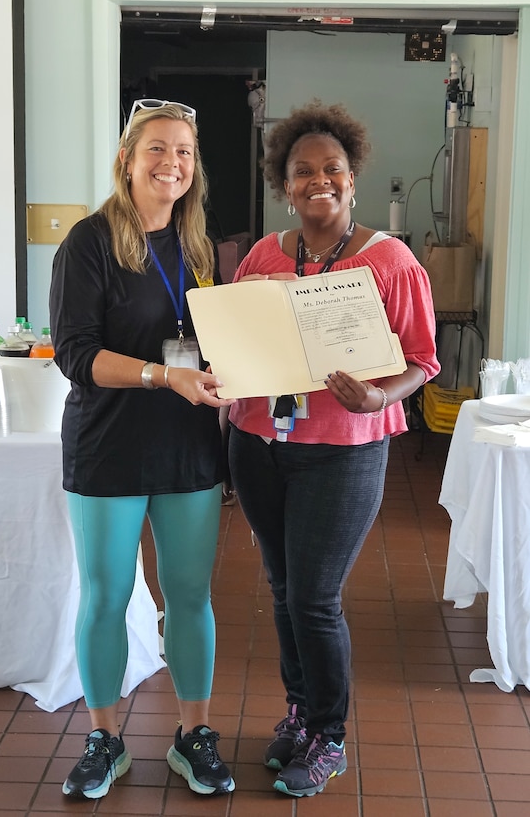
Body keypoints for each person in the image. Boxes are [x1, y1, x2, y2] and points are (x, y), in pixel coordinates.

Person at [227, 100, 440, 798]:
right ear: (283, 185)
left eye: (332, 169)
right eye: (301, 172)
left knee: (316, 598)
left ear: (352, 180)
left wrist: (382, 397)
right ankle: (297, 712)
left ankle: (328, 735)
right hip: (259, 443)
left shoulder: (391, 261)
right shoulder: (263, 256)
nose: (318, 180)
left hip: (342, 450)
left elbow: (422, 360)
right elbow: (242, 344)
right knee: (284, 592)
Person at [49, 98, 236, 801]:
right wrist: (166, 375)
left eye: (183, 152)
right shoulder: (90, 242)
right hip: (107, 448)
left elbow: (207, 335)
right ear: (127, 159)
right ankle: (105, 739)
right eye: (156, 149)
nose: (171, 163)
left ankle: (193, 737)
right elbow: (75, 355)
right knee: (106, 597)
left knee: (188, 596)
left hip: (185, 443)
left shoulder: (194, 243)